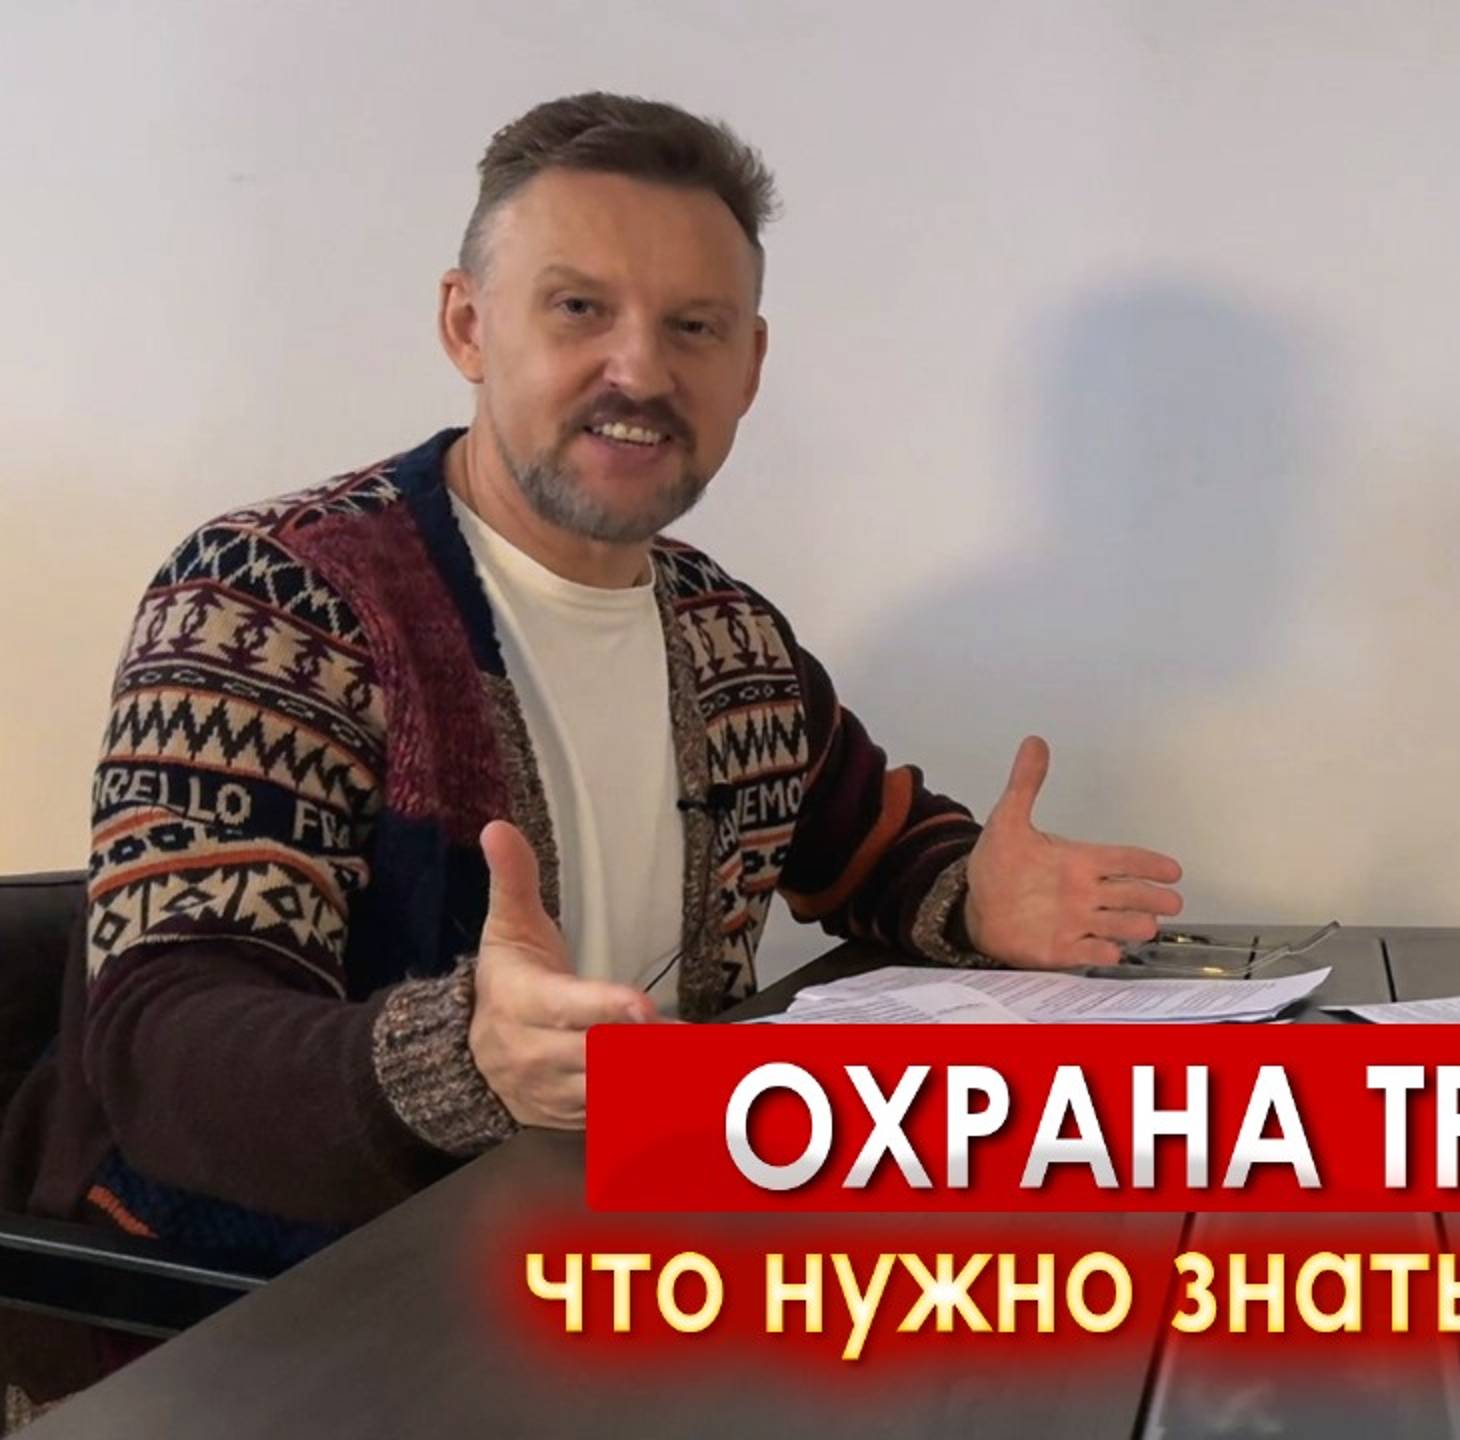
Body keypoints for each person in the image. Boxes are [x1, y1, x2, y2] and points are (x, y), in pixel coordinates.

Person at [0, 92, 1183, 1413]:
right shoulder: (269, 599)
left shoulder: (728, 636)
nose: (640, 369)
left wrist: (973, 897)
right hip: (279, 1331)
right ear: (467, 324)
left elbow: (867, 843)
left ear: (750, 365)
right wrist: (467, 1056)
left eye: (694, 327)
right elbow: (166, 1051)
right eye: (579, 309)